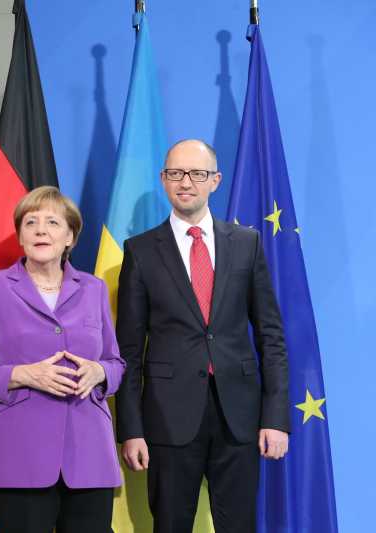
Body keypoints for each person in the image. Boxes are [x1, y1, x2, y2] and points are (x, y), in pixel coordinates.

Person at [116, 139, 290, 532]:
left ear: (216, 180)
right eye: (176, 173)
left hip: (239, 417)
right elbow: (128, 350)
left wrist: (276, 417)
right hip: (167, 417)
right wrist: (131, 429)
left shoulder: (247, 244)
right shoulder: (140, 251)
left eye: (197, 174)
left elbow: (272, 336)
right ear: (163, 180)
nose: (186, 182)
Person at [0, 186, 126, 533]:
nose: (40, 230)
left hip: (89, 456)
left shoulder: (93, 289)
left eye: (52, 222)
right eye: (30, 222)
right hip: (18, 455)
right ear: (20, 235)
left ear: (69, 237)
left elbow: (116, 363)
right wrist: (23, 374)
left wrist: (99, 371)